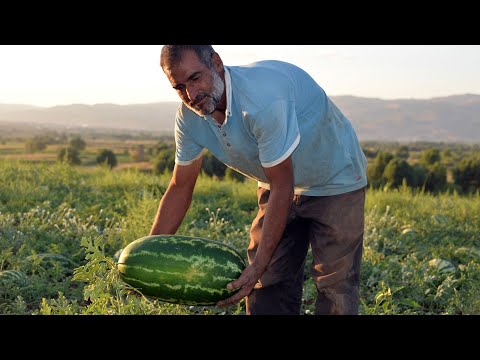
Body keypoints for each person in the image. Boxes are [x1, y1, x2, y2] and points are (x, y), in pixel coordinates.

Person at [150, 45, 368, 315]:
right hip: (276, 182)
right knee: (266, 285)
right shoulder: (189, 119)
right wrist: (147, 254)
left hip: (334, 178)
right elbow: (180, 187)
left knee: (336, 285)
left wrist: (258, 266)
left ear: (216, 63)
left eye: (195, 78)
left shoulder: (262, 100)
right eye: (179, 87)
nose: (191, 95)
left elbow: (283, 186)